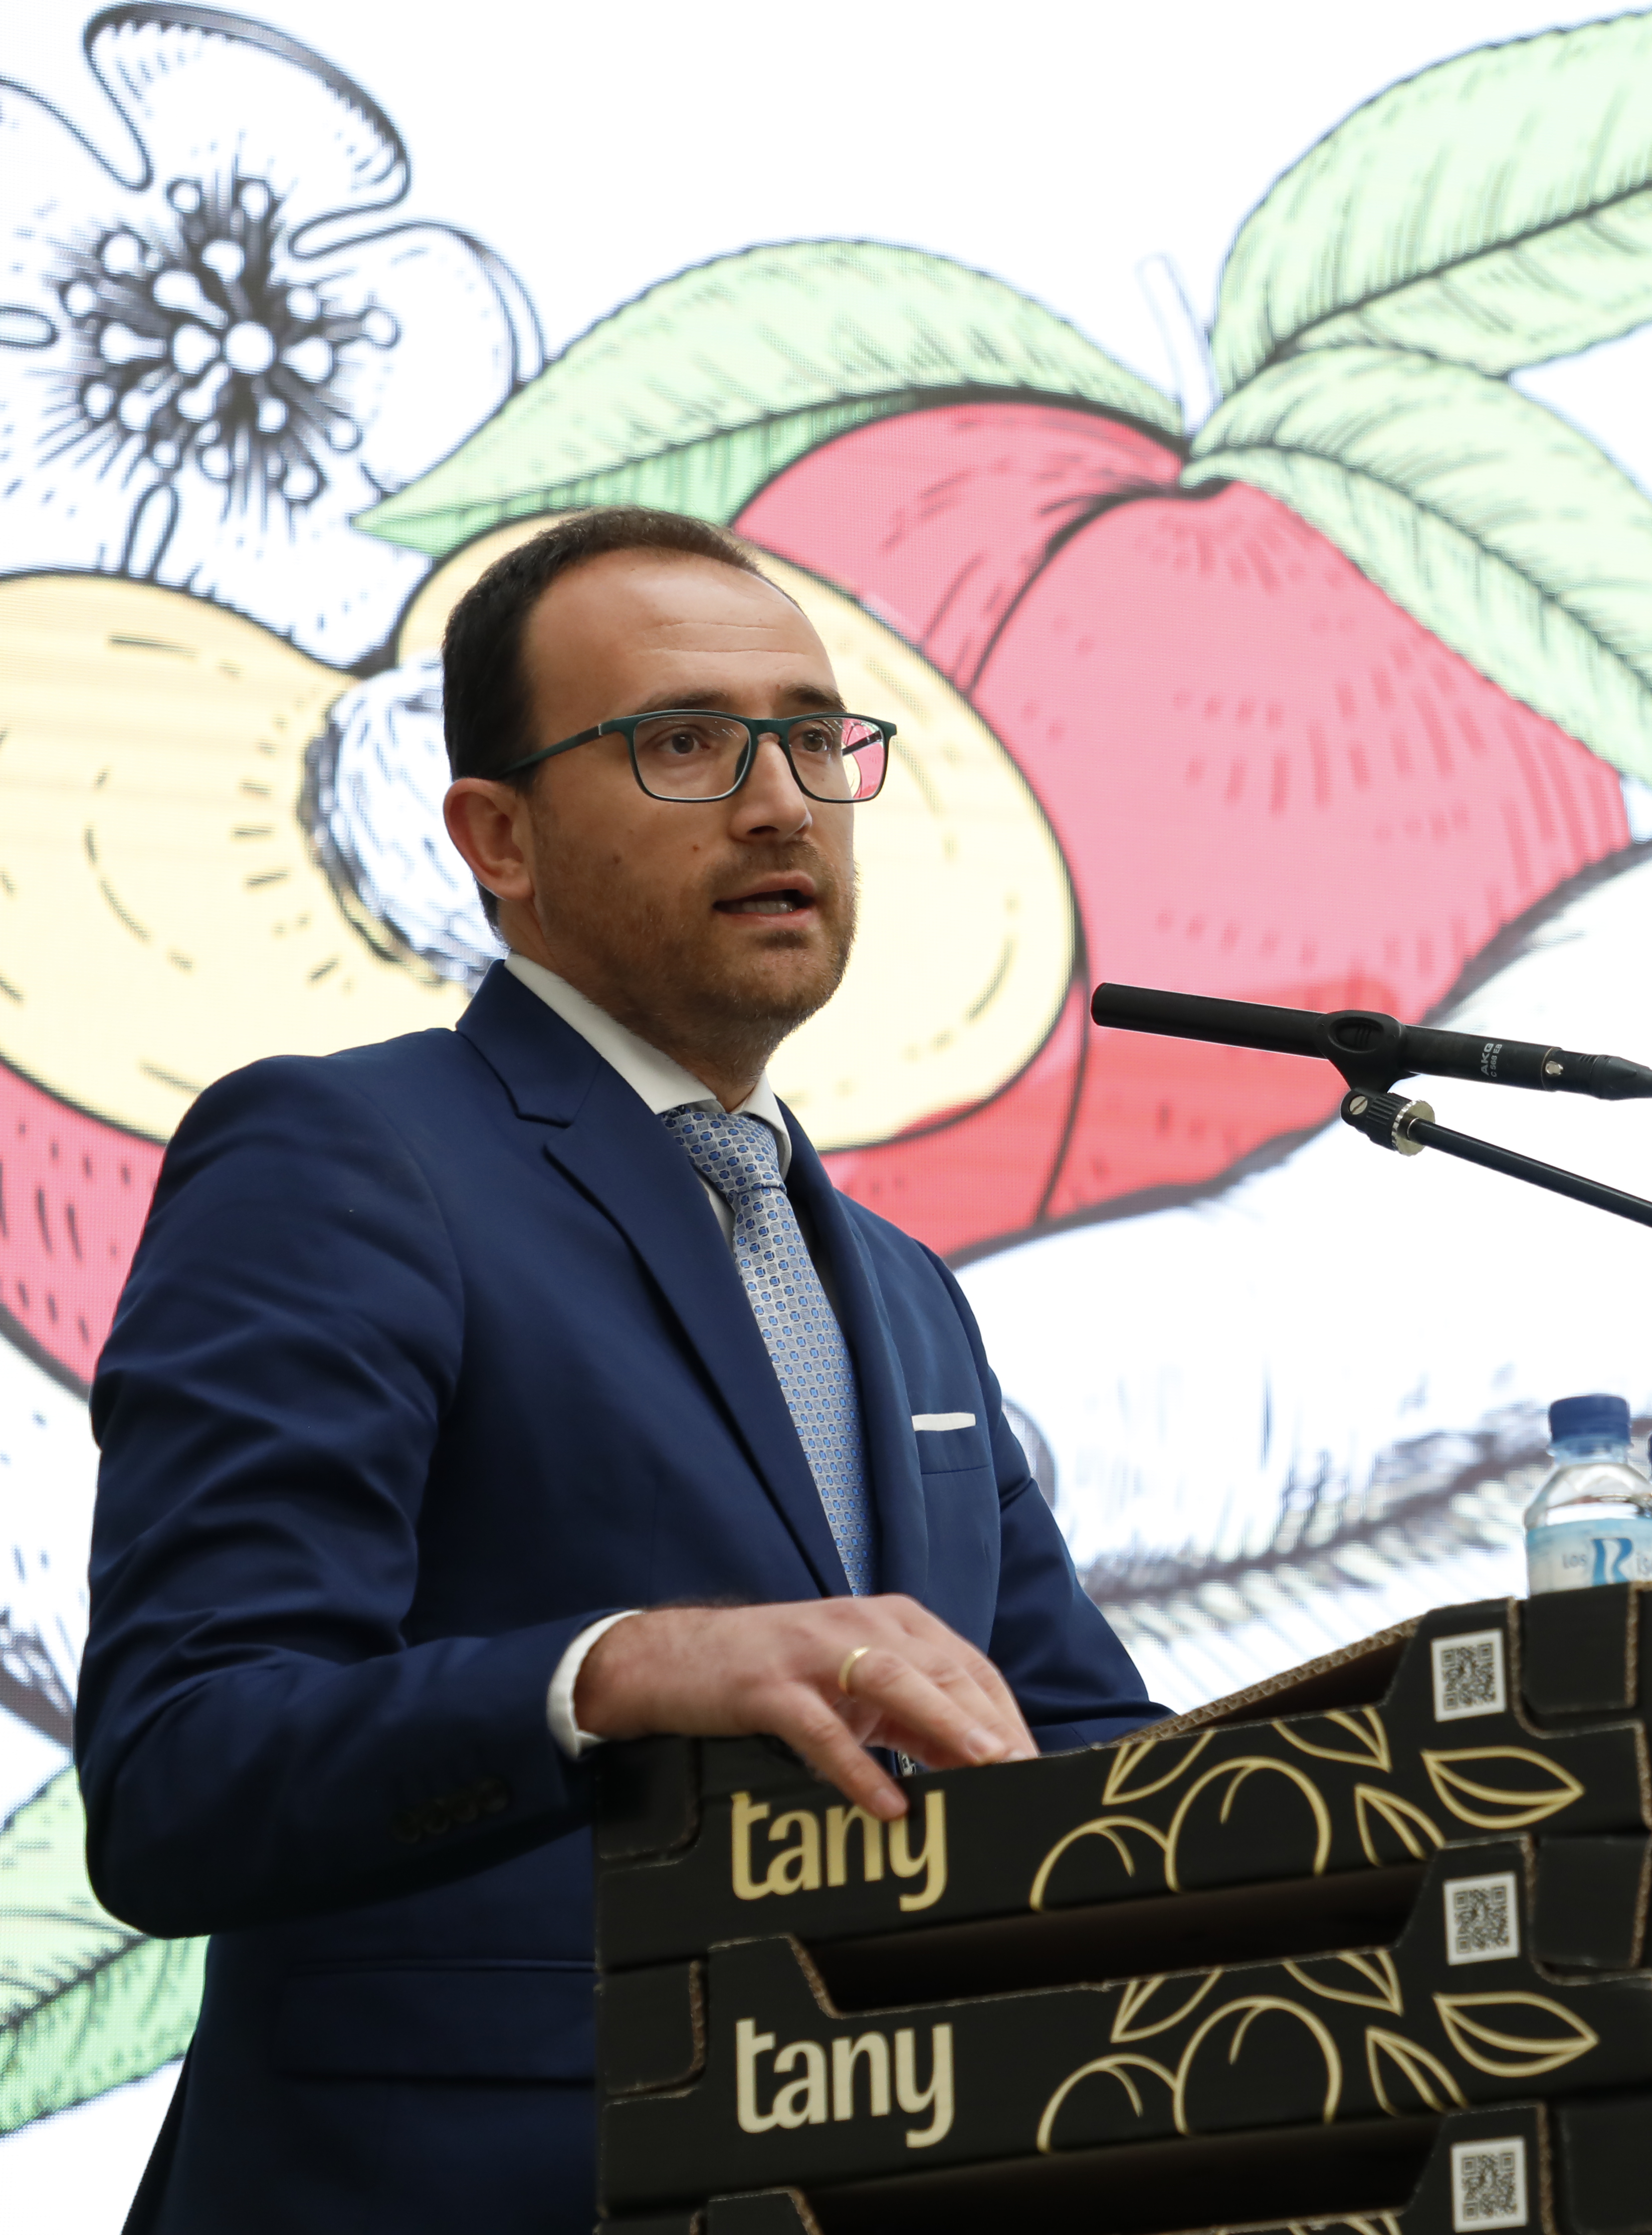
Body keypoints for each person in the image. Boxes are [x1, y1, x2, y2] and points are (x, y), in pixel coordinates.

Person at [74, 507, 1163, 2231]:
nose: (779, 799)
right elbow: (182, 1774)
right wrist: (614, 1671)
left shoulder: (900, 1289)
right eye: (681, 743)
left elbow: (1081, 1757)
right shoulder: (346, 1157)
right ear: (494, 836)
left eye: (814, 737)